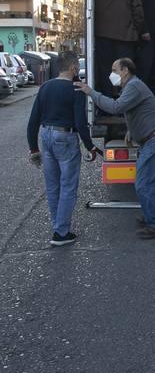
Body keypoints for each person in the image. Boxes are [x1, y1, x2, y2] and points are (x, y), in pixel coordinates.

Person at [76, 57, 155, 239]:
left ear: (125, 71)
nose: (111, 74)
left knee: (144, 184)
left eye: (114, 70)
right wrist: (132, 129)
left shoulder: (133, 86)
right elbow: (138, 110)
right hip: (154, 139)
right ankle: (150, 217)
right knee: (148, 184)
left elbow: (116, 107)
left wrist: (91, 92)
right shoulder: (132, 86)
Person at [27, 50, 97, 246]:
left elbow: (33, 120)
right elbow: (80, 123)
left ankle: (58, 227)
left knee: (53, 186)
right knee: (68, 185)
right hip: (65, 137)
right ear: (74, 68)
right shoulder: (76, 89)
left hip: (46, 136)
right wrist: (90, 147)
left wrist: (34, 148)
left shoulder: (45, 87)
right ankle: (61, 233)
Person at [95, 0, 145, 98]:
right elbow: (138, 13)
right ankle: (124, 100)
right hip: (125, 36)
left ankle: (107, 100)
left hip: (102, 34)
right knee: (124, 70)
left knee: (105, 69)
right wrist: (138, 31)